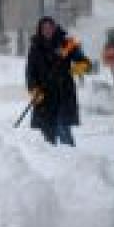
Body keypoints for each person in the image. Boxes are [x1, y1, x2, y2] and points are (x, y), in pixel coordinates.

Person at [25, 16, 91, 146]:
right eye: (44, 28)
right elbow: (30, 72)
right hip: (44, 96)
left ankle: (72, 160)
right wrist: (34, 89)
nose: (47, 30)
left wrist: (72, 69)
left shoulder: (67, 44)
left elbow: (86, 65)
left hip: (63, 95)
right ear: (40, 30)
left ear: (55, 28)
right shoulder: (35, 47)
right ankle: (52, 164)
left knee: (63, 129)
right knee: (48, 135)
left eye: (50, 27)